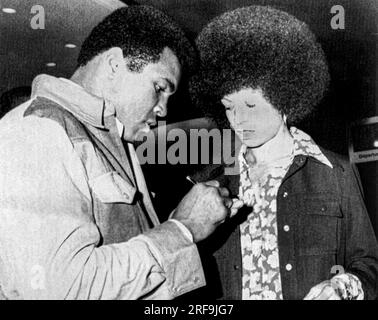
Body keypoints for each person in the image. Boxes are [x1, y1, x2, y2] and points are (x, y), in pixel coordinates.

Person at [0, 5, 231, 299]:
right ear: (113, 64)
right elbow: (58, 289)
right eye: (160, 87)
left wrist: (184, 225)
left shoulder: (110, 142)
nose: (163, 109)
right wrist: (182, 230)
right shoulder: (38, 130)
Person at [186, 5, 378, 300]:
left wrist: (344, 287)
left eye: (250, 104)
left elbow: (369, 264)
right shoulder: (210, 182)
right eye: (228, 106)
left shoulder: (336, 172)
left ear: (285, 99)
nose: (237, 118)